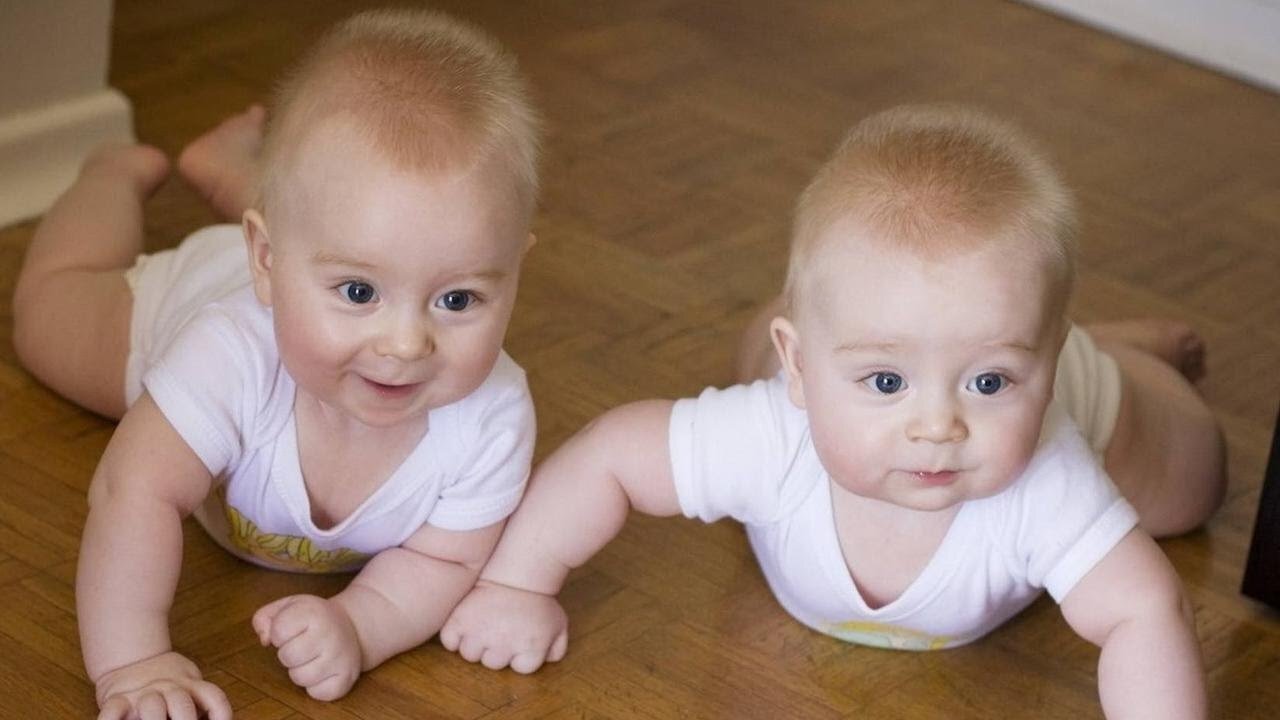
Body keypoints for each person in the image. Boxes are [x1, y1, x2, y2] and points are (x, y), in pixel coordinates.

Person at [438, 105, 1226, 719]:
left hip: (1079, 382)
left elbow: (1145, 613)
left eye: (988, 385)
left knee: (1194, 482)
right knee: (764, 344)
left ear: (1043, 369)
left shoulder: (1050, 476)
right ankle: (863, 344)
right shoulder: (768, 435)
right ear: (802, 369)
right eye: (887, 384)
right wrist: (518, 583)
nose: (937, 427)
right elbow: (611, 455)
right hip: (841, 357)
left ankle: (1117, 355)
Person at [11, 8, 541, 719]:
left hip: (291, 251)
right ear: (267, 263)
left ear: (514, 272)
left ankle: (240, 176)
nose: (408, 344)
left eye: (457, 297)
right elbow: (132, 495)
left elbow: (444, 561)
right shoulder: (225, 356)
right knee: (47, 316)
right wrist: (133, 664)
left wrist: (360, 624)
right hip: (187, 296)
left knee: (327, 228)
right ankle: (112, 175)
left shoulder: (493, 417)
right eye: (359, 292)